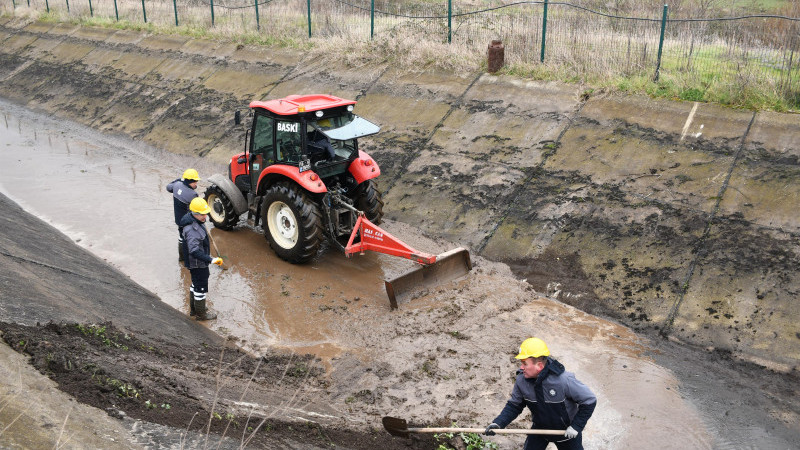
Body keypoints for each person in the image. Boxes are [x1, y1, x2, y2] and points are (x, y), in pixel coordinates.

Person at [484, 338, 597, 450]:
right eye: (521, 363)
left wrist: (576, 426)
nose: (521, 367)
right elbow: (514, 406)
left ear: (539, 366)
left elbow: (589, 400)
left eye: (524, 363)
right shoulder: (521, 381)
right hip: (540, 430)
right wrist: (499, 423)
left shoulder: (564, 381)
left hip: (567, 433)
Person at [180, 197, 223, 320]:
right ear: (195, 214)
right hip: (198, 264)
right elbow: (194, 251)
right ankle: (201, 314)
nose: (205, 217)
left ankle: (194, 310)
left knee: (195, 284)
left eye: (206, 213)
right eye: (202, 214)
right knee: (201, 288)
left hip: (195, 263)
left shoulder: (194, 222)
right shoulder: (192, 230)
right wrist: (211, 259)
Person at [166, 169, 200, 261]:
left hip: (178, 220)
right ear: (190, 181)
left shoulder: (176, 185)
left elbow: (168, 187)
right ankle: (189, 257)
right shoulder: (192, 194)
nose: (196, 183)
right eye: (195, 181)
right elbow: (196, 210)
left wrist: (178, 180)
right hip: (188, 222)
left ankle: (181, 258)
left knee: (181, 237)